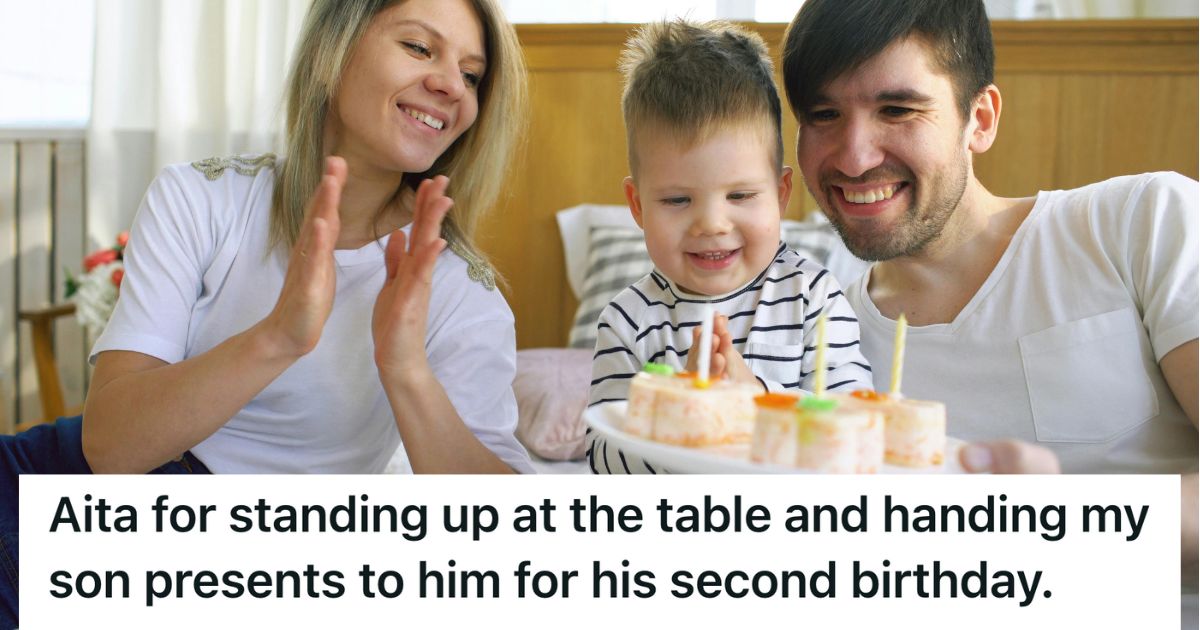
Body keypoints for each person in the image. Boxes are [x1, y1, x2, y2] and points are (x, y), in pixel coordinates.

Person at [780, 0, 1197, 610]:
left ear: (979, 118)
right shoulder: (820, 348)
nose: (853, 156)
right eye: (823, 114)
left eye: (897, 109)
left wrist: (1068, 528)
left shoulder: (1143, 222)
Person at [79, 0, 533, 474]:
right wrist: (278, 337)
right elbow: (110, 448)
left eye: (472, 76)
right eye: (419, 47)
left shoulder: (463, 291)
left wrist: (407, 371)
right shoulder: (198, 197)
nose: (451, 85)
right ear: (327, 52)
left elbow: (507, 523)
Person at [586, 19, 873, 474]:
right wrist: (675, 414)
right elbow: (603, 458)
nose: (712, 224)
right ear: (637, 206)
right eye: (678, 200)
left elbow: (853, 426)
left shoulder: (813, 297)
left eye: (740, 196)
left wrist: (755, 402)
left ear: (780, 195)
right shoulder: (627, 321)